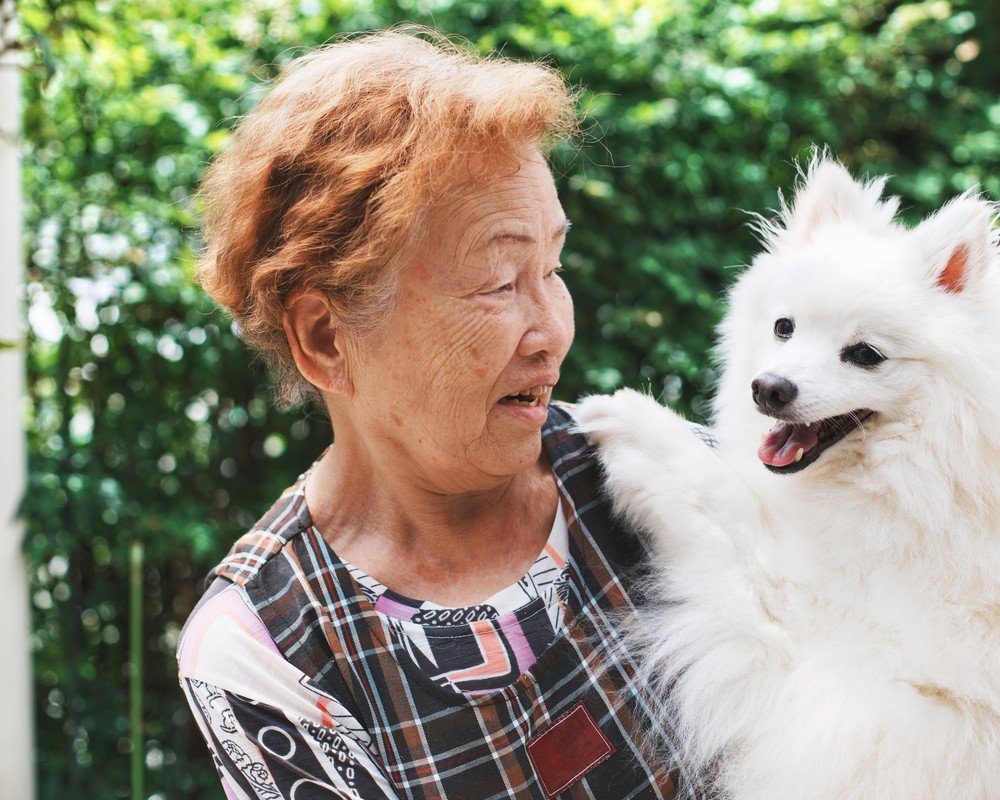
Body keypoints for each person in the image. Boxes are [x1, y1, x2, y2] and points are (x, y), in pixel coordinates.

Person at [175, 26, 704, 800]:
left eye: (551, 268)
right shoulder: (263, 648)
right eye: (496, 281)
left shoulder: (651, 470)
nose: (553, 330)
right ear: (326, 337)